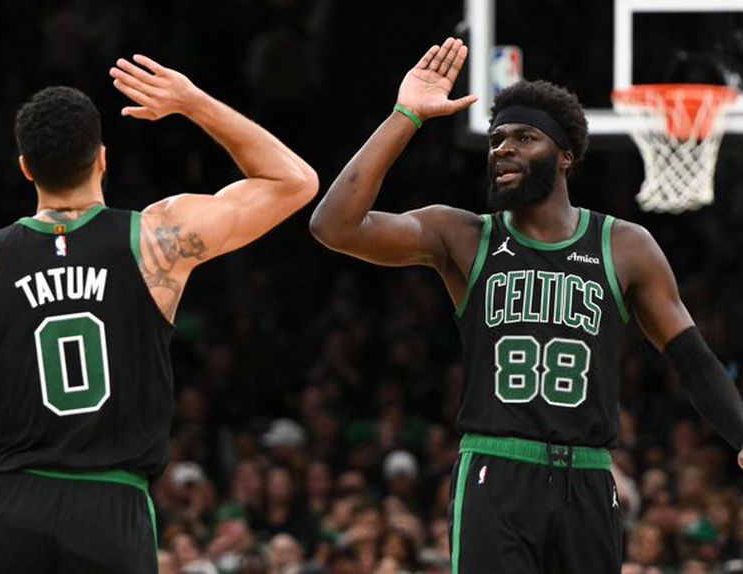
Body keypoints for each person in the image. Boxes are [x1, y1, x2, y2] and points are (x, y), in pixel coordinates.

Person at [309, 36, 743, 572]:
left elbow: (693, 359)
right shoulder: (463, 235)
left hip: (588, 475)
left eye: (524, 137)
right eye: (496, 139)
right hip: (496, 468)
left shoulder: (624, 245)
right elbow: (334, 226)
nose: (503, 149)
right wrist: (406, 116)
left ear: (565, 157)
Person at [0, 53, 317, 573]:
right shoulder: (156, 241)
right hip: (111, 505)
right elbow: (295, 181)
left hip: (13, 502)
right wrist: (193, 103)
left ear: (25, 168)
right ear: (102, 159)